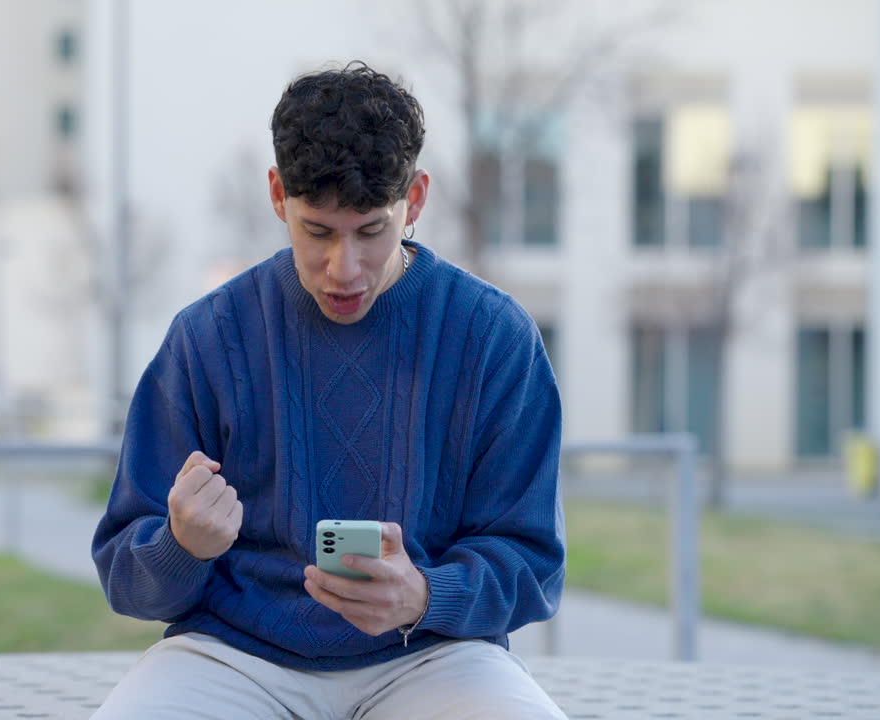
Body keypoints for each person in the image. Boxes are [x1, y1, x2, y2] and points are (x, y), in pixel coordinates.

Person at [90, 61, 567, 720]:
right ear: (279, 195)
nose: (344, 269)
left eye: (372, 231)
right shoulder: (208, 337)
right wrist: (180, 545)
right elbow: (126, 576)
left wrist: (428, 595)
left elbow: (534, 562)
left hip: (431, 651)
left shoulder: (493, 337)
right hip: (234, 655)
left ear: (416, 199)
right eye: (317, 231)